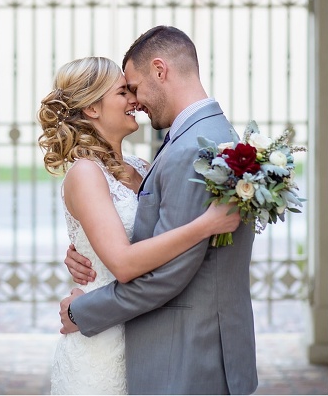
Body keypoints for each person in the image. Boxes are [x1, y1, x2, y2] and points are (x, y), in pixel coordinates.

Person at [61, 27, 258, 394]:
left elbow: (167, 274)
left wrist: (82, 311)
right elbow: (124, 238)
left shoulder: (187, 151)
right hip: (134, 341)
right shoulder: (196, 140)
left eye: (132, 87)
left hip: (176, 346)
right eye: (124, 92)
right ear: (91, 107)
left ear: (160, 70)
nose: (134, 100)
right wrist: (84, 249)